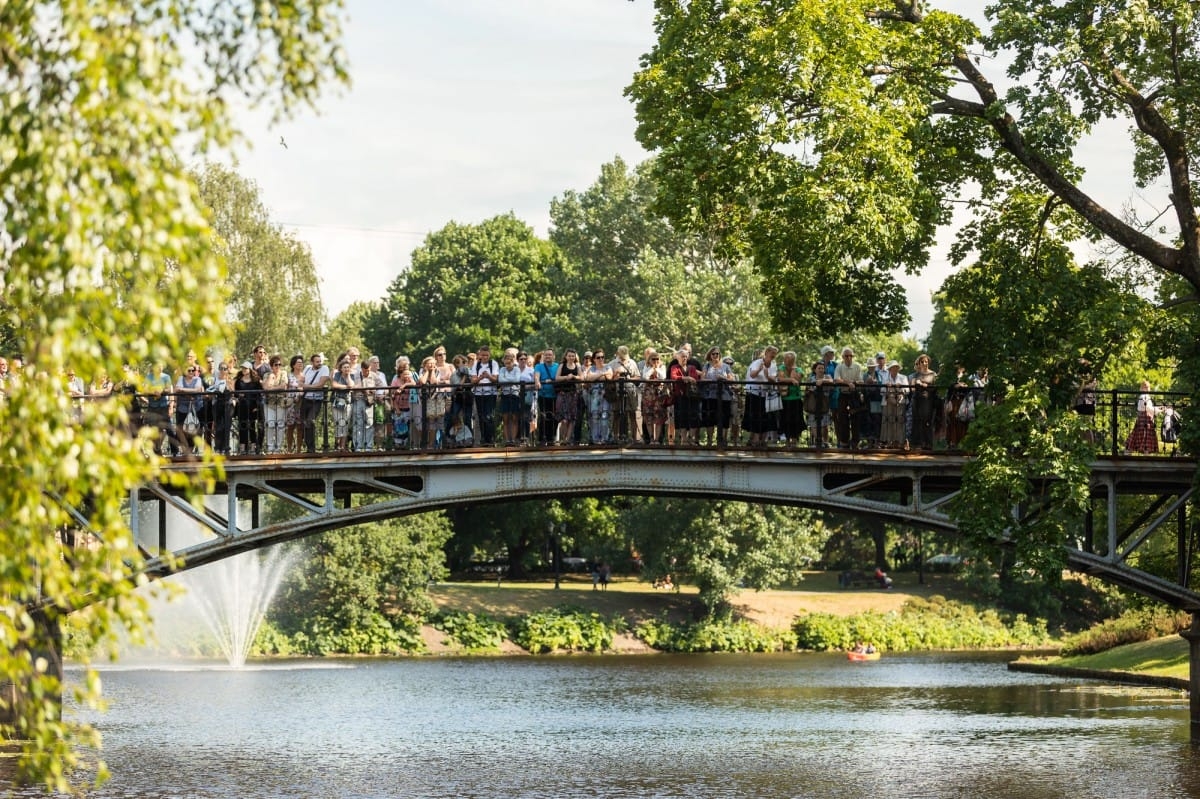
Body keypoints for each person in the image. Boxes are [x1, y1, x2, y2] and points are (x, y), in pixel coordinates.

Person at [742, 345, 778, 447]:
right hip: (754, 393)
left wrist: (767, 376)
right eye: (772, 353)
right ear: (766, 353)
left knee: (766, 417)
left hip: (767, 394)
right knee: (755, 416)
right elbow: (753, 375)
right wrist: (759, 369)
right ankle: (755, 440)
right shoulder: (757, 362)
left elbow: (774, 378)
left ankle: (763, 440)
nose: (773, 356)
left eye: (775, 354)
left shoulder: (773, 365)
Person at [700, 346, 735, 446]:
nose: (715, 356)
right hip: (710, 395)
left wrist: (723, 378)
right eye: (713, 354)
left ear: (720, 355)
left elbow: (732, 380)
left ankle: (723, 440)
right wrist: (713, 381)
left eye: (717, 354)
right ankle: (709, 440)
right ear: (710, 355)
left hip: (724, 396)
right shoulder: (707, 366)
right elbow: (702, 379)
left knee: (724, 418)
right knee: (710, 418)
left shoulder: (725, 366)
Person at [833, 347, 864, 448]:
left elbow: (861, 381)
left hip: (854, 395)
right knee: (842, 418)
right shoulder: (839, 367)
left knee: (856, 418)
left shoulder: (857, 366)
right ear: (842, 357)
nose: (849, 357)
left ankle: (855, 441)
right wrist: (848, 383)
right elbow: (836, 380)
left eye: (851, 355)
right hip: (843, 394)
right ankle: (844, 441)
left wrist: (852, 383)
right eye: (846, 356)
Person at [609, 345, 641, 444]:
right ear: (617, 353)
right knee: (616, 414)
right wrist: (616, 375)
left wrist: (629, 378)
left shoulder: (632, 363)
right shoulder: (612, 363)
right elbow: (609, 379)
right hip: (617, 391)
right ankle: (615, 437)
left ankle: (634, 438)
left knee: (632, 414)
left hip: (631, 391)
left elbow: (638, 377)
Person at [301, 352, 331, 453]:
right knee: (304, 423)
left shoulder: (324, 368)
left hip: (316, 400)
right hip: (305, 399)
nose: (319, 363)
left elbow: (320, 385)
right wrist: (306, 385)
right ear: (312, 362)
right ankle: (309, 447)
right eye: (317, 362)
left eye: (320, 361)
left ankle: (312, 448)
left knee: (311, 421)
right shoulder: (308, 368)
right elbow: (300, 381)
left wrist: (306, 386)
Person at [471, 345, 500, 446]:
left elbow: (496, 379)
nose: (485, 357)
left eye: (487, 355)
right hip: (479, 394)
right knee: (481, 416)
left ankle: (490, 439)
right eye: (483, 355)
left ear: (489, 355)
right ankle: (484, 439)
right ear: (479, 355)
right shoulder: (476, 365)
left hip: (491, 394)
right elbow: (473, 380)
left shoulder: (494, 364)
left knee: (489, 416)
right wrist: (481, 377)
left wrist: (488, 376)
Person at [908, 353, 939, 450]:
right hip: (917, 399)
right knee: (917, 421)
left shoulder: (933, 374)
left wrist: (925, 385)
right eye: (922, 362)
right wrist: (917, 383)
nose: (924, 363)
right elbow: (911, 387)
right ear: (919, 363)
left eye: (926, 361)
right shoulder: (916, 374)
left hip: (928, 400)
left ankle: (928, 443)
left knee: (927, 421)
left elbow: (936, 387)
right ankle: (918, 443)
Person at [554, 348, 584, 444]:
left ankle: (567, 439)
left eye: (573, 356)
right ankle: (563, 438)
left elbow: (582, 377)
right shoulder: (562, 365)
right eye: (569, 355)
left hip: (573, 393)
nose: (571, 357)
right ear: (566, 356)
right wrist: (566, 377)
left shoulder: (577, 365)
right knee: (563, 418)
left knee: (571, 417)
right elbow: (557, 378)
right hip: (562, 393)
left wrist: (574, 377)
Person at [261, 355, 290, 454]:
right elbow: (265, 388)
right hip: (269, 403)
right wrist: (271, 377)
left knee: (280, 425)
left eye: (279, 365)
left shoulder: (283, 373)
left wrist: (271, 388)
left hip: (281, 403)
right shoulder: (267, 375)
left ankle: (278, 447)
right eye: (275, 365)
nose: (278, 367)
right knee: (270, 424)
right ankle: (270, 447)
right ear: (271, 366)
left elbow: (284, 387)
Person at [233, 361, 262, 454]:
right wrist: (238, 396)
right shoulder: (238, 381)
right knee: (242, 427)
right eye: (243, 368)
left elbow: (259, 394)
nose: (244, 370)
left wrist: (257, 406)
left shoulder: (256, 381)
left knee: (252, 427)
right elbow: (235, 393)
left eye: (246, 368)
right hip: (242, 407)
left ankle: (253, 447)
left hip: (253, 407)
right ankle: (242, 448)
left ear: (250, 369)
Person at [776, 351, 804, 447]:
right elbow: (780, 378)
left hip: (796, 398)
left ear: (793, 360)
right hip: (785, 399)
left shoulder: (798, 369)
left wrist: (792, 371)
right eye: (786, 359)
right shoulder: (781, 368)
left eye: (790, 359)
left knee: (796, 420)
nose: (788, 361)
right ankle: (787, 440)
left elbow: (797, 379)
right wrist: (791, 380)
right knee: (785, 420)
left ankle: (794, 440)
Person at [641, 349, 669, 446]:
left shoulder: (662, 366)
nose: (655, 361)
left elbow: (663, 377)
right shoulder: (646, 367)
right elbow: (645, 377)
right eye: (653, 359)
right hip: (648, 395)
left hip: (659, 394)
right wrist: (652, 369)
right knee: (649, 417)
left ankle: (657, 439)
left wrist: (656, 369)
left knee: (659, 418)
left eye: (657, 359)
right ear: (649, 360)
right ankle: (651, 438)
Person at [1125, 380, 1160, 454]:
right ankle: (1143, 453)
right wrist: (1157, 410)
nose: (1147, 389)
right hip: (1145, 418)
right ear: (1141, 388)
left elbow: (1148, 407)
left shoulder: (1144, 396)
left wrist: (1157, 409)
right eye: (1145, 387)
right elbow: (1147, 408)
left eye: (1147, 387)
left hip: (1143, 418)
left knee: (1140, 435)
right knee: (1144, 436)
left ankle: (1129, 452)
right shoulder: (1144, 396)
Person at [497, 348, 524, 446]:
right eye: (506, 363)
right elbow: (500, 380)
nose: (508, 365)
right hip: (505, 395)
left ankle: (513, 439)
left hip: (514, 395)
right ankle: (507, 440)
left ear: (513, 362)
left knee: (514, 417)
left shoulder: (516, 369)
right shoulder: (502, 369)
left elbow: (516, 379)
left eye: (510, 363)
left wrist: (506, 380)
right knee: (506, 418)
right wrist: (509, 381)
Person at [585, 349, 612, 444]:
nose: (601, 359)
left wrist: (596, 376)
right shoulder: (591, 368)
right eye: (598, 357)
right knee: (595, 416)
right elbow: (589, 378)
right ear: (594, 359)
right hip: (594, 396)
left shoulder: (608, 367)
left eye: (602, 357)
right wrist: (601, 374)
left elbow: (609, 377)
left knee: (605, 416)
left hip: (605, 395)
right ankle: (595, 439)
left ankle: (605, 438)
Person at [880, 360, 909, 449]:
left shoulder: (903, 378)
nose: (894, 369)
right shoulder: (885, 378)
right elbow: (881, 391)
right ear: (889, 369)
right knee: (889, 421)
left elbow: (908, 390)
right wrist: (887, 387)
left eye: (896, 367)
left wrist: (900, 387)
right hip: (888, 402)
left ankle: (900, 442)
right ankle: (889, 442)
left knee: (900, 421)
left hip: (900, 402)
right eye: (892, 367)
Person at [390, 356, 417, 449]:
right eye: (403, 372)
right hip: (398, 407)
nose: (406, 374)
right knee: (397, 427)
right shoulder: (396, 379)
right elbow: (392, 395)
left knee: (405, 428)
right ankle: (397, 445)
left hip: (407, 407)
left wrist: (405, 384)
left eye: (407, 370)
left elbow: (414, 384)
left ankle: (404, 445)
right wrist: (396, 408)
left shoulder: (410, 378)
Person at [805, 360, 832, 448]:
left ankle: (825, 442)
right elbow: (807, 389)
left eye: (822, 368)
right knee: (813, 423)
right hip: (813, 403)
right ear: (815, 370)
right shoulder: (810, 378)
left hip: (824, 403)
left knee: (825, 424)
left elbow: (831, 382)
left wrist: (822, 381)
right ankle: (818, 441)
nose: (821, 370)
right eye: (819, 368)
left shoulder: (827, 376)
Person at [330, 357, 355, 451]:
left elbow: (352, 385)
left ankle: (343, 446)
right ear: (341, 368)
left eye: (348, 367)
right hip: (337, 402)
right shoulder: (337, 375)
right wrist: (345, 387)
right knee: (338, 423)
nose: (346, 369)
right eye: (344, 367)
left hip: (348, 403)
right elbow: (334, 385)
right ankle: (337, 445)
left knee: (345, 424)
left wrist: (348, 376)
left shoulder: (351, 376)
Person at [534, 349, 559, 445]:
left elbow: (559, 377)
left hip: (555, 395)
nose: (548, 356)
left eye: (550, 355)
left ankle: (551, 438)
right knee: (544, 417)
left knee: (554, 417)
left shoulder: (557, 366)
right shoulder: (539, 366)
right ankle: (541, 439)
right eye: (546, 355)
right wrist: (537, 382)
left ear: (554, 356)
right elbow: (537, 376)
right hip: (543, 395)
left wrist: (552, 381)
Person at [283, 355, 306, 453]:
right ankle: (289, 448)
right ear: (293, 365)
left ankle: (299, 449)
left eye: (301, 362)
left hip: (302, 403)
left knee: (300, 426)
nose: (300, 364)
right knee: (290, 426)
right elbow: (285, 388)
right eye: (298, 363)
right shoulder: (289, 376)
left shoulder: (305, 376)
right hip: (291, 403)